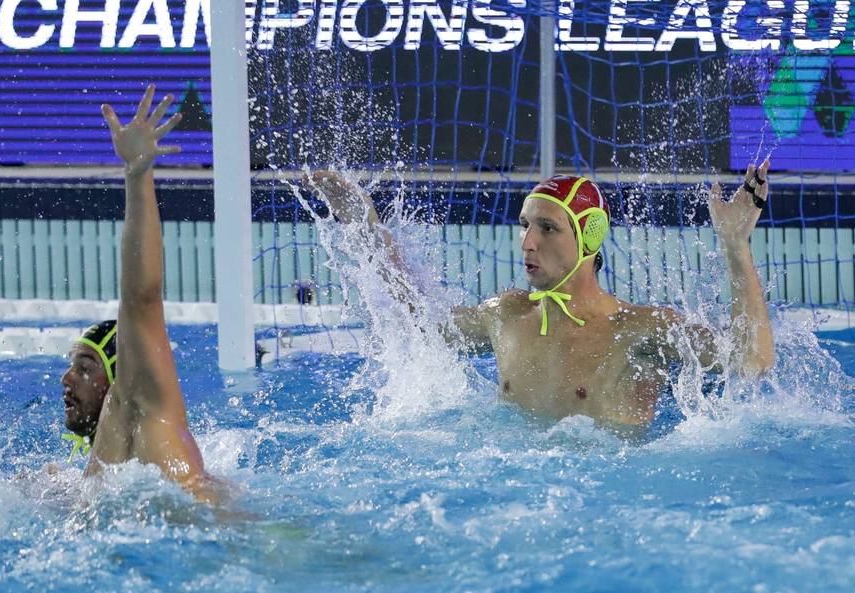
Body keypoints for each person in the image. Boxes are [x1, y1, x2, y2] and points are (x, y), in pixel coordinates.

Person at [306, 160, 775, 430]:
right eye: (524, 226)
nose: (527, 242)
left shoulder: (638, 330)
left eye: (547, 228)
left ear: (589, 238)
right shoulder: (507, 314)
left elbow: (751, 359)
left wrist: (736, 246)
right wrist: (366, 229)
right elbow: (422, 322)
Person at [60, 85, 216, 500]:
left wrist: (137, 174)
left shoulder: (142, 409)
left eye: (87, 366)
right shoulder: (106, 460)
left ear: (119, 370)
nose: (67, 378)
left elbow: (141, 298)